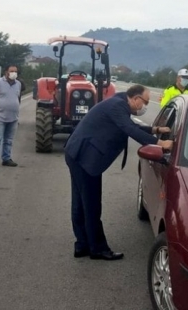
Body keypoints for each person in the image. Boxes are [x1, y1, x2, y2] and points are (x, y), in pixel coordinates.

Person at [64, 84, 173, 261]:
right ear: (136, 99)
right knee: (90, 204)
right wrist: (160, 144)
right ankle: (97, 249)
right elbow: (129, 129)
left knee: (80, 202)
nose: (144, 106)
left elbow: (130, 125)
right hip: (85, 157)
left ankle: (82, 244)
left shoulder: (119, 103)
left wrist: (156, 130)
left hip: (77, 152)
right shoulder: (117, 106)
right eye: (145, 102)